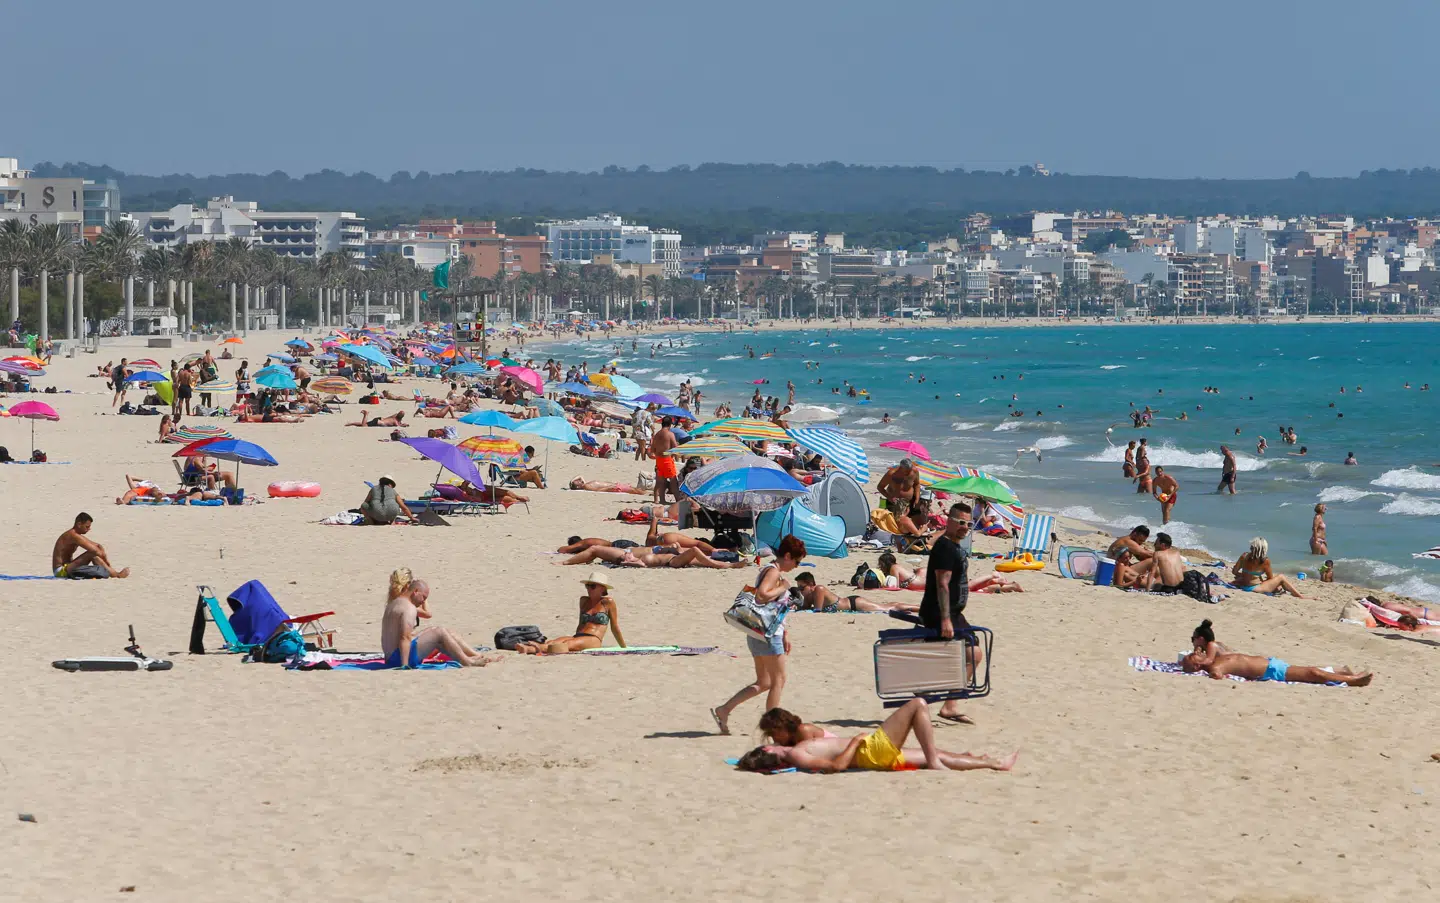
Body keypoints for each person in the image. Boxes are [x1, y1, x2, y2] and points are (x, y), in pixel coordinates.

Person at [735, 698, 1019, 773]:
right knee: (918, 705)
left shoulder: (797, 746)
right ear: (769, 755)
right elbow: (836, 766)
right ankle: (936, 762)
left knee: (936, 754)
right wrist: (855, 742)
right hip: (871, 750)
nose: (770, 742)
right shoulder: (797, 754)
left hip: (872, 752)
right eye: (767, 745)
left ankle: (992, 762)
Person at [711, 535, 806, 735]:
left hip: (758, 631)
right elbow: (762, 595)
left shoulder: (771, 570)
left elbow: (774, 607)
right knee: (779, 680)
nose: (796, 566)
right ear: (787, 556)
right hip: (767, 633)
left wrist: (785, 633)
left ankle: (724, 710)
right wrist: (783, 587)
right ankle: (773, 727)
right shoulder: (773, 571)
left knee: (764, 682)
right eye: (796, 561)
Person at [919, 502, 976, 724]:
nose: (965, 527)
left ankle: (949, 704)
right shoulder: (945, 548)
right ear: (949, 521)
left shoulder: (953, 546)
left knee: (972, 654)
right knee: (972, 654)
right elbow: (942, 584)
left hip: (953, 613)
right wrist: (945, 619)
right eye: (960, 522)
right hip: (941, 613)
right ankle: (941, 703)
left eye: (968, 523)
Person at [381, 571, 502, 668]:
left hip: (390, 657)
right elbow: (405, 637)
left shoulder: (394, 603)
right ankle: (467, 662)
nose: (423, 602)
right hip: (398, 658)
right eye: (423, 598)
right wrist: (404, 665)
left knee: (443, 633)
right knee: (439, 632)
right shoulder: (409, 608)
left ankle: (475, 656)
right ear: (415, 591)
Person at [515, 572, 627, 654]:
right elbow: (581, 623)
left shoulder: (608, 602)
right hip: (578, 636)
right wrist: (574, 637)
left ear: (602, 589)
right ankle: (530, 648)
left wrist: (624, 647)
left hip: (594, 639)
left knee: (565, 645)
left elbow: (614, 627)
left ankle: (531, 649)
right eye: (587, 586)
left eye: (592, 586)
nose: (589, 589)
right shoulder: (584, 601)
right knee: (553, 642)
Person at [1181, 649, 1372, 686]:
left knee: (1311, 670)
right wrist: (1211, 672)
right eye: (1193, 655)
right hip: (1272, 671)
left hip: (1272, 664)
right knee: (1313, 672)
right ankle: (1353, 680)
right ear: (1196, 665)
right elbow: (1217, 675)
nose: (1196, 651)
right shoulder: (1215, 667)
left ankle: (1342, 673)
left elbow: (1214, 644)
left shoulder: (1216, 657)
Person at [791, 572, 919, 614]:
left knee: (889, 607)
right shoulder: (809, 596)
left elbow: (817, 611)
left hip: (855, 604)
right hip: (851, 603)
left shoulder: (819, 589)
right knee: (887, 606)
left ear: (811, 585)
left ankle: (920, 608)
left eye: (802, 588)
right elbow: (805, 608)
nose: (801, 591)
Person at [52, 512, 130, 578]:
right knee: (92, 554)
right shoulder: (73, 535)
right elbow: (95, 550)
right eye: (87, 526)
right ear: (79, 524)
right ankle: (116, 575)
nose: (89, 529)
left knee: (94, 553)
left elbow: (98, 546)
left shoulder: (76, 535)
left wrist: (105, 560)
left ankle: (113, 572)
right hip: (60, 572)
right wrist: (106, 561)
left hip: (68, 567)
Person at [1230, 537, 1305, 597]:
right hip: (1254, 588)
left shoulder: (1244, 556)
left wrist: (1244, 576)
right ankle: (1300, 596)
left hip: (1243, 585)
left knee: (1277, 582)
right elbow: (1270, 578)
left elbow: (1234, 572)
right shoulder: (1265, 561)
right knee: (1281, 577)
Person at [650, 416, 679, 503]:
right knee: (673, 481)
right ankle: (678, 500)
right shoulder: (670, 434)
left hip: (659, 460)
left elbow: (652, 449)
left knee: (661, 481)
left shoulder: (657, 434)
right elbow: (675, 447)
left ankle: (661, 500)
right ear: (670, 425)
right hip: (666, 460)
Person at [566, 476, 647, 495]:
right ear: (578, 487)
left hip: (615, 485)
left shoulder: (585, 484)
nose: (578, 480)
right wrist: (610, 488)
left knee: (635, 489)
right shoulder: (586, 486)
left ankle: (648, 493)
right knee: (635, 490)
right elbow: (598, 490)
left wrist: (571, 481)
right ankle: (647, 494)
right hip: (614, 487)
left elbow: (580, 476)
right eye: (576, 482)